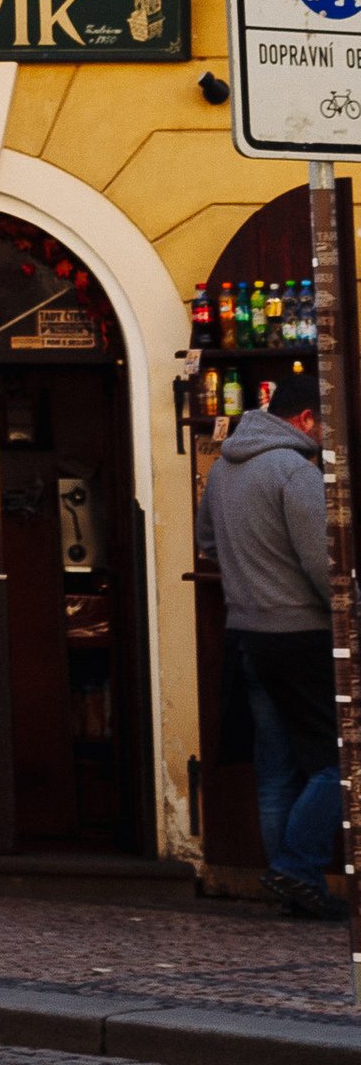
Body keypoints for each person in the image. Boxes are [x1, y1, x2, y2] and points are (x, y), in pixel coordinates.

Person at [201, 380, 344, 918]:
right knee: (340, 761)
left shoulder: (223, 467)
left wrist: (252, 575)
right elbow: (324, 564)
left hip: (247, 636)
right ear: (306, 418)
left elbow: (208, 542)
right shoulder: (294, 472)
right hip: (301, 637)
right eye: (326, 425)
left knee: (276, 767)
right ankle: (297, 867)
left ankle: (292, 887)